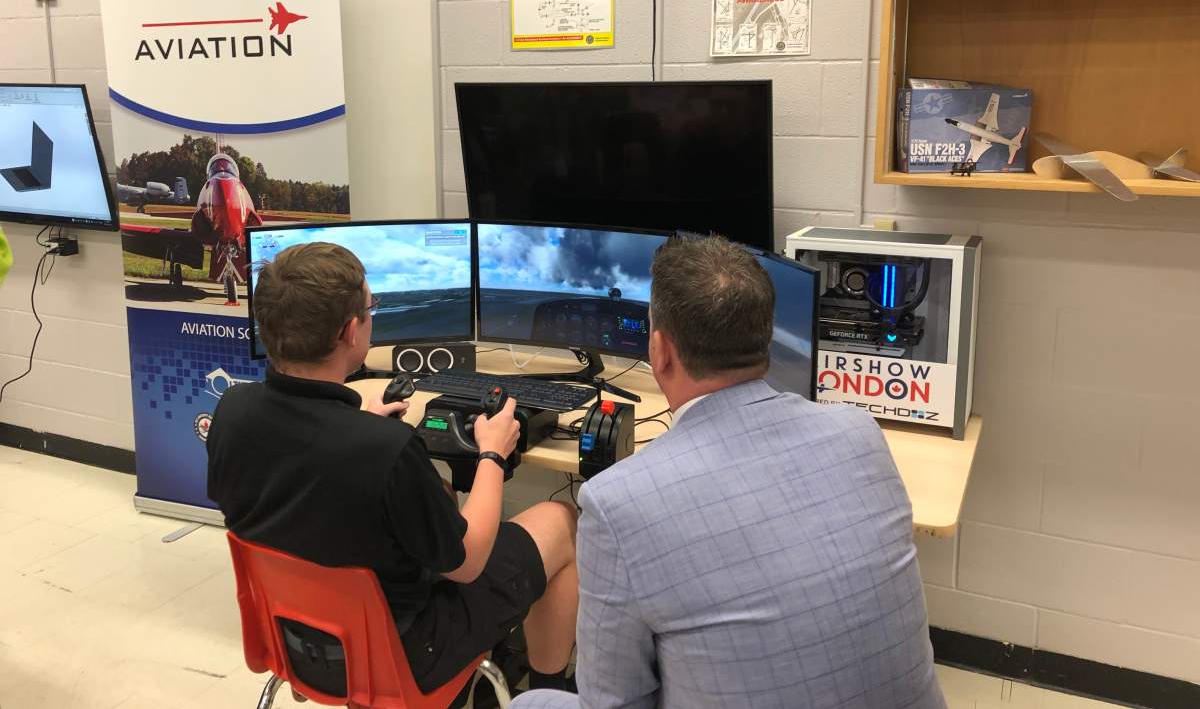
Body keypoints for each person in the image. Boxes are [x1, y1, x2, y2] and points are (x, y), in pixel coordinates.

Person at [515, 235, 945, 709]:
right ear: (763, 337)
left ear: (659, 352)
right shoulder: (860, 432)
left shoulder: (618, 503)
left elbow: (614, 702)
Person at [207, 242, 579, 697]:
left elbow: (288, 496)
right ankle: (548, 695)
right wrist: (492, 454)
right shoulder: (384, 449)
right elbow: (469, 564)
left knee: (439, 489)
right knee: (562, 520)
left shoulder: (232, 411)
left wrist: (359, 431)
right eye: (371, 307)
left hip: (295, 642)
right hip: (401, 659)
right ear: (350, 331)